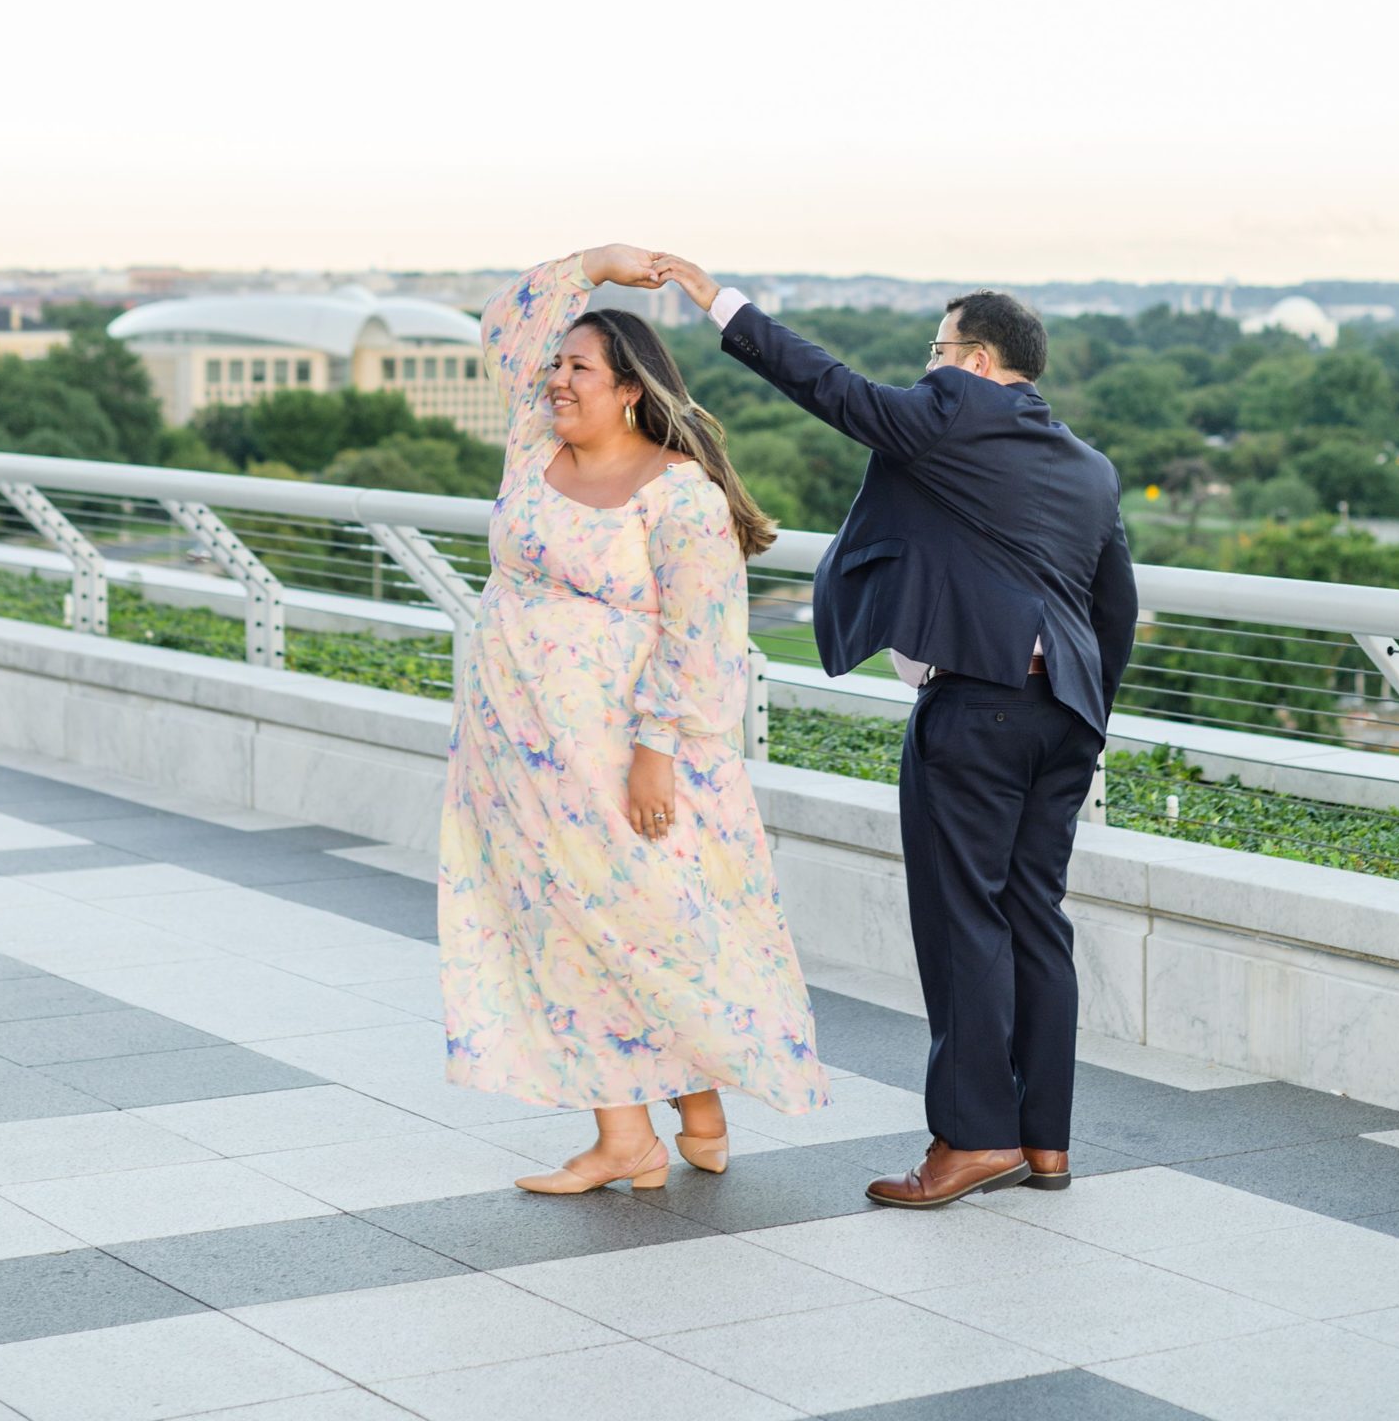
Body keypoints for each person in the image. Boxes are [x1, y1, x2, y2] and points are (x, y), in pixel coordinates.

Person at [655, 254, 1137, 1209]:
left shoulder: (956, 414)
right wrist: (1086, 710)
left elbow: (832, 391)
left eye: (938, 349)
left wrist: (720, 303)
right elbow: (1111, 602)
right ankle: (1044, 1142)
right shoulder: (1086, 465)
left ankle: (969, 1141)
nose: (927, 368)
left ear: (980, 360)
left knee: (962, 926)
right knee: (1035, 922)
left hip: (979, 706)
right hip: (1066, 717)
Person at [439, 245, 828, 1194]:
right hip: (514, 753)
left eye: (579, 368)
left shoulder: (680, 497)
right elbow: (503, 323)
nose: (557, 379)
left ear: (628, 392)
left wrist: (654, 756)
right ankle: (659, 1125)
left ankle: (664, 1121)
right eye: (557, 366)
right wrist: (595, 266)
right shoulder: (536, 449)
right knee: (565, 924)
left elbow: (703, 638)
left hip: (620, 756)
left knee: (647, 926)